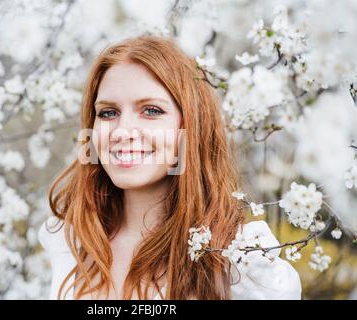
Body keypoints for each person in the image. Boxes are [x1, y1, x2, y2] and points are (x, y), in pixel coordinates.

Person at [38, 35, 302, 300]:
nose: (122, 132)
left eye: (151, 111)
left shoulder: (243, 266)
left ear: (191, 126)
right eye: (108, 113)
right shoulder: (68, 240)